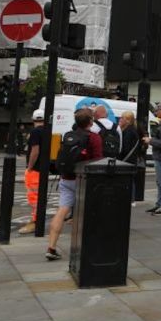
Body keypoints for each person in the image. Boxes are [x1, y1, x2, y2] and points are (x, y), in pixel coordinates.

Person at [45, 108, 102, 260]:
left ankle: (51, 247)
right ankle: (84, 249)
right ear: (90, 121)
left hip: (66, 178)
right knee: (87, 213)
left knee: (62, 211)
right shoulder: (94, 138)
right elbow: (98, 160)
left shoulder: (68, 135)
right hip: (85, 180)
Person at [19, 110, 45, 234]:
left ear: (33, 119)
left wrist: (29, 167)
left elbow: (35, 150)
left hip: (35, 169)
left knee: (34, 197)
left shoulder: (35, 132)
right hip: (43, 168)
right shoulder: (48, 131)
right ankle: (36, 220)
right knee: (39, 196)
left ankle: (35, 222)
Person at [117, 111, 144, 205]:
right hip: (131, 159)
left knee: (128, 179)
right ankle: (131, 199)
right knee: (130, 179)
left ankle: (131, 200)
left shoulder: (128, 131)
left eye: (122, 118)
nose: (120, 119)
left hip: (127, 160)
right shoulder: (132, 130)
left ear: (127, 120)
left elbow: (125, 148)